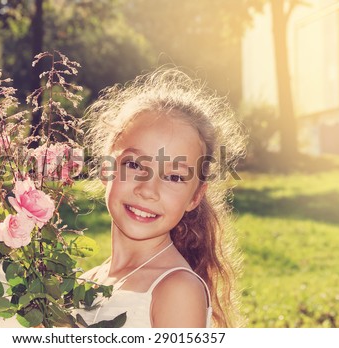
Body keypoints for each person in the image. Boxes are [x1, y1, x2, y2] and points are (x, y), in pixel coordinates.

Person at [77, 67, 246, 328]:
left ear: (195, 197)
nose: (147, 189)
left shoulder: (177, 290)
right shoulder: (84, 284)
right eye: (134, 165)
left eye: (174, 177)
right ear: (106, 168)